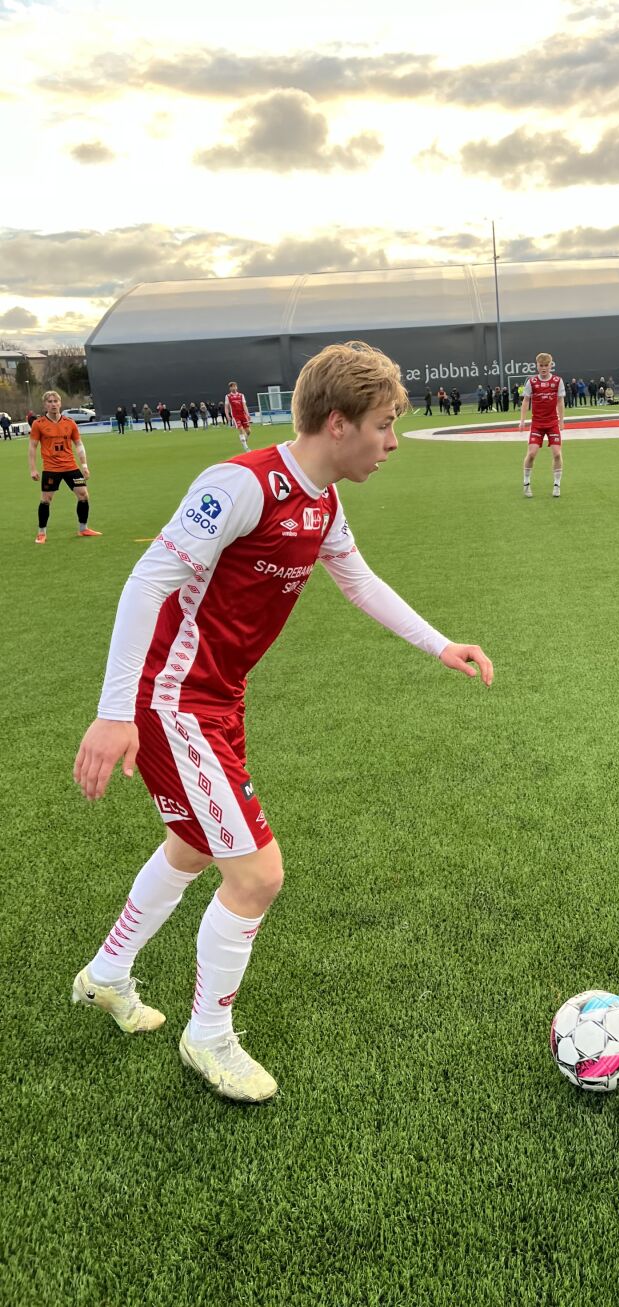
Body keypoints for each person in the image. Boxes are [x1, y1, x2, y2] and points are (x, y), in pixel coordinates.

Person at [71, 341, 493, 1104]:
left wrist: (441, 644)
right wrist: (112, 714)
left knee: (194, 844)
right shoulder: (238, 484)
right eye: (384, 426)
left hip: (218, 700)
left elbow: (358, 581)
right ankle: (209, 1038)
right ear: (338, 423)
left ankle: (105, 974)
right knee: (259, 875)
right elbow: (146, 581)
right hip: (174, 702)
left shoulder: (322, 500)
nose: (392, 443)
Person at [28, 389, 103, 544]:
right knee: (46, 500)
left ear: (60, 403)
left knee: (83, 495)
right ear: (45, 405)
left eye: (56, 401)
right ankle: (41, 533)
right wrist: (33, 468)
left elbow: (79, 445)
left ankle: (83, 529)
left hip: (71, 467)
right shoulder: (38, 424)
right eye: (50, 401)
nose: (53, 404)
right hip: (51, 468)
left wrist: (84, 465)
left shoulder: (70, 423)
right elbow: (32, 447)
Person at [520, 351, 565, 498]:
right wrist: (522, 421)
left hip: (552, 423)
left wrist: (561, 420)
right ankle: (526, 483)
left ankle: (557, 485)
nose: (544, 368)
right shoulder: (531, 382)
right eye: (541, 365)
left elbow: (560, 401)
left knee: (557, 454)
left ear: (551, 365)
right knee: (532, 454)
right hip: (537, 424)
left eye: (547, 365)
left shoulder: (558, 381)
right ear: (537, 366)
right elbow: (526, 401)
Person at [224, 383, 250, 451]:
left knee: (248, 431)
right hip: (235, 416)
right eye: (232, 387)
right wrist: (227, 415)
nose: (234, 388)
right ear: (230, 388)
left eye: (235, 386)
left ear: (237, 387)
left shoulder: (241, 395)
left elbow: (244, 405)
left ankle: (244, 439)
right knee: (241, 430)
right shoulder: (228, 396)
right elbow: (226, 407)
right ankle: (246, 447)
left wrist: (247, 414)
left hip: (243, 415)